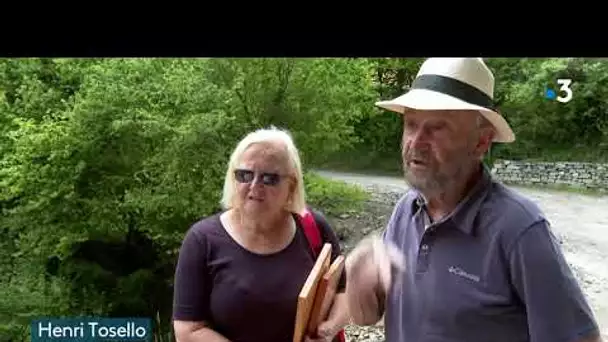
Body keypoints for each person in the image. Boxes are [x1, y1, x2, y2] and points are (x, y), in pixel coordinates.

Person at [344, 58, 604, 342]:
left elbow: (581, 338)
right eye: (411, 124)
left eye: (437, 128)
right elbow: (368, 317)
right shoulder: (405, 211)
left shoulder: (520, 230)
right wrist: (357, 272)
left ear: (481, 142)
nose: (416, 142)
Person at [172, 126, 349, 342]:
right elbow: (188, 330)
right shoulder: (202, 240)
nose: (254, 186)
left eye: (269, 178)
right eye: (244, 175)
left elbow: (344, 291)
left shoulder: (313, 227)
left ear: (291, 186)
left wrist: (327, 331)